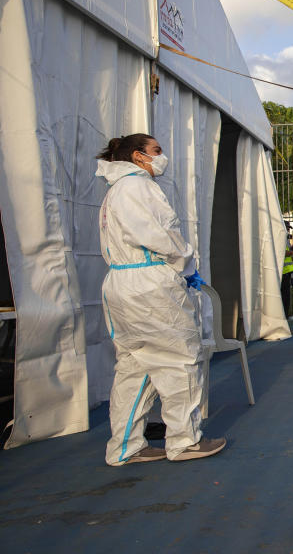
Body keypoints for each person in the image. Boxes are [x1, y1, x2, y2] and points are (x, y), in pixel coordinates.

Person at [96, 133, 226, 464]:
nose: (161, 156)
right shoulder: (137, 187)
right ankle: (184, 441)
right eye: (156, 151)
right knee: (180, 358)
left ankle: (125, 446)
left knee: (135, 365)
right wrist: (186, 262)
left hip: (121, 282)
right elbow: (157, 235)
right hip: (149, 282)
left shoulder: (115, 191)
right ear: (138, 156)